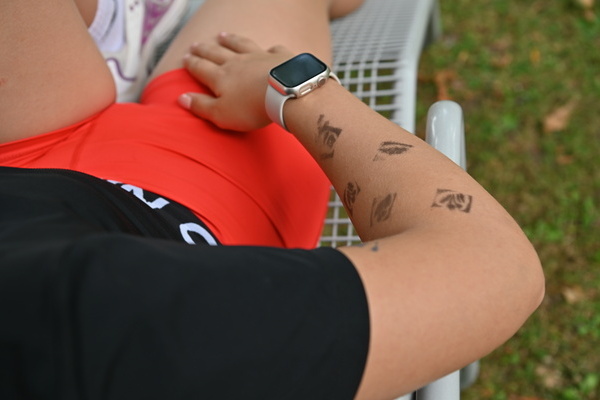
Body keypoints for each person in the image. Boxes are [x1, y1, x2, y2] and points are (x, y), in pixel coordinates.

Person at [0, 0, 544, 399]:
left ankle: (112, 30)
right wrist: (294, 87)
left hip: (27, 156)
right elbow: (493, 266)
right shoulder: (171, 344)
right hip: (204, 177)